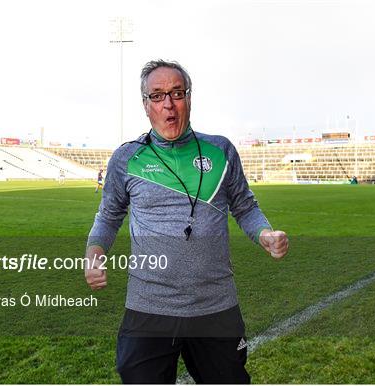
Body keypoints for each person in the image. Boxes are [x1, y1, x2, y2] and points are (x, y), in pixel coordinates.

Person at [84, 60, 289, 384]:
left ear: (189, 98)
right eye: (158, 95)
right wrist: (94, 254)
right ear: (146, 105)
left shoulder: (220, 151)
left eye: (177, 93)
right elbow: (108, 216)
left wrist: (265, 234)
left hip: (214, 306)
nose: (168, 104)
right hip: (149, 307)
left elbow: (245, 207)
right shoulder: (127, 158)